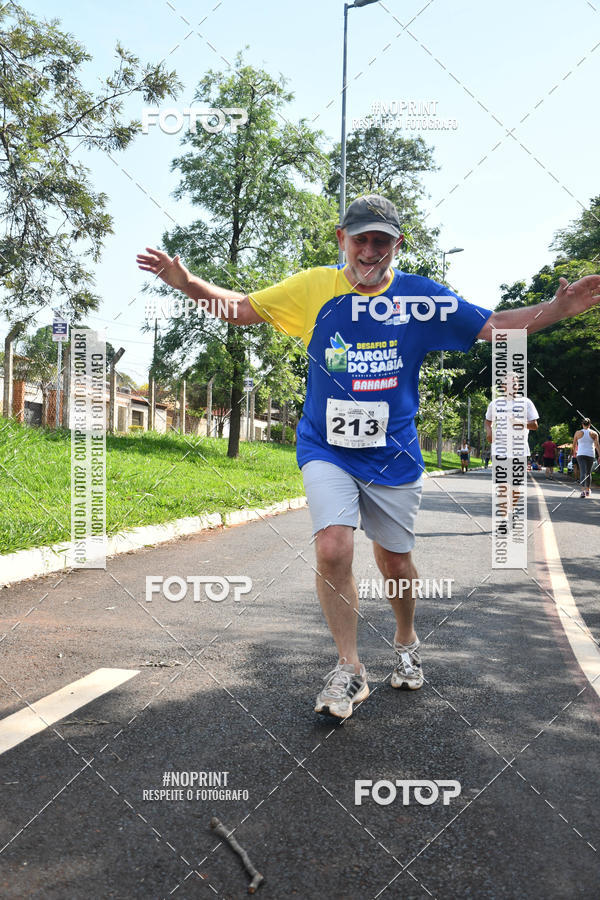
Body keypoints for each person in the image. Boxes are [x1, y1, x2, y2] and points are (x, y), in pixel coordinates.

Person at [137, 194, 600, 720]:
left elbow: (493, 325)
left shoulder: (420, 298)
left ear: (398, 246)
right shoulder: (314, 288)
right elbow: (243, 309)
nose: (370, 251)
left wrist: (558, 309)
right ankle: (349, 667)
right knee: (333, 546)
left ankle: (406, 640)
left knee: (394, 561)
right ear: (342, 240)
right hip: (325, 446)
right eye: (361, 239)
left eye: (382, 241)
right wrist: (186, 283)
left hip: (393, 455)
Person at [484, 376, 539, 466]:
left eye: (514, 383)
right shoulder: (495, 404)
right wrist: (489, 432)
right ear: (503, 386)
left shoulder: (526, 402)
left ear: (518, 386)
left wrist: (520, 423)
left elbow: (535, 425)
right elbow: (488, 421)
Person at [572, 418, 600, 498]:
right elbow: (597, 445)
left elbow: (574, 444)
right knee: (588, 473)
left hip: (580, 454)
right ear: (590, 425)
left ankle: (583, 491)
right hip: (590, 454)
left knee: (582, 472)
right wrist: (599, 455)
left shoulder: (577, 433)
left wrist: (574, 452)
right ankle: (587, 490)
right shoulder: (594, 433)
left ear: (582, 424)